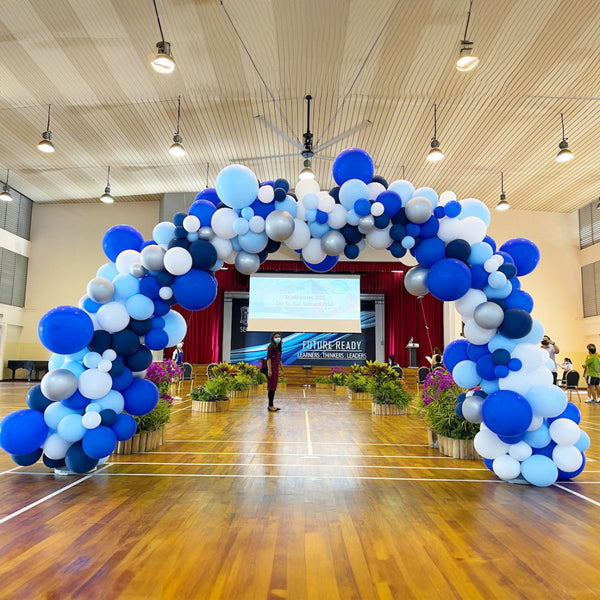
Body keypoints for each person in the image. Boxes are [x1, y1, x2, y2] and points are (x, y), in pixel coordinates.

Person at [266, 333, 284, 412]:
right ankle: (270, 405)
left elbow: (279, 359)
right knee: (271, 387)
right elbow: (269, 359)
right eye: (276, 337)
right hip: (272, 369)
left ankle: (272, 404)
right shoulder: (271, 346)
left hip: (276, 369)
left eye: (279, 337)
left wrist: (282, 369)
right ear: (272, 338)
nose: (277, 338)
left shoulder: (279, 347)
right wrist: (269, 370)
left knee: (274, 387)